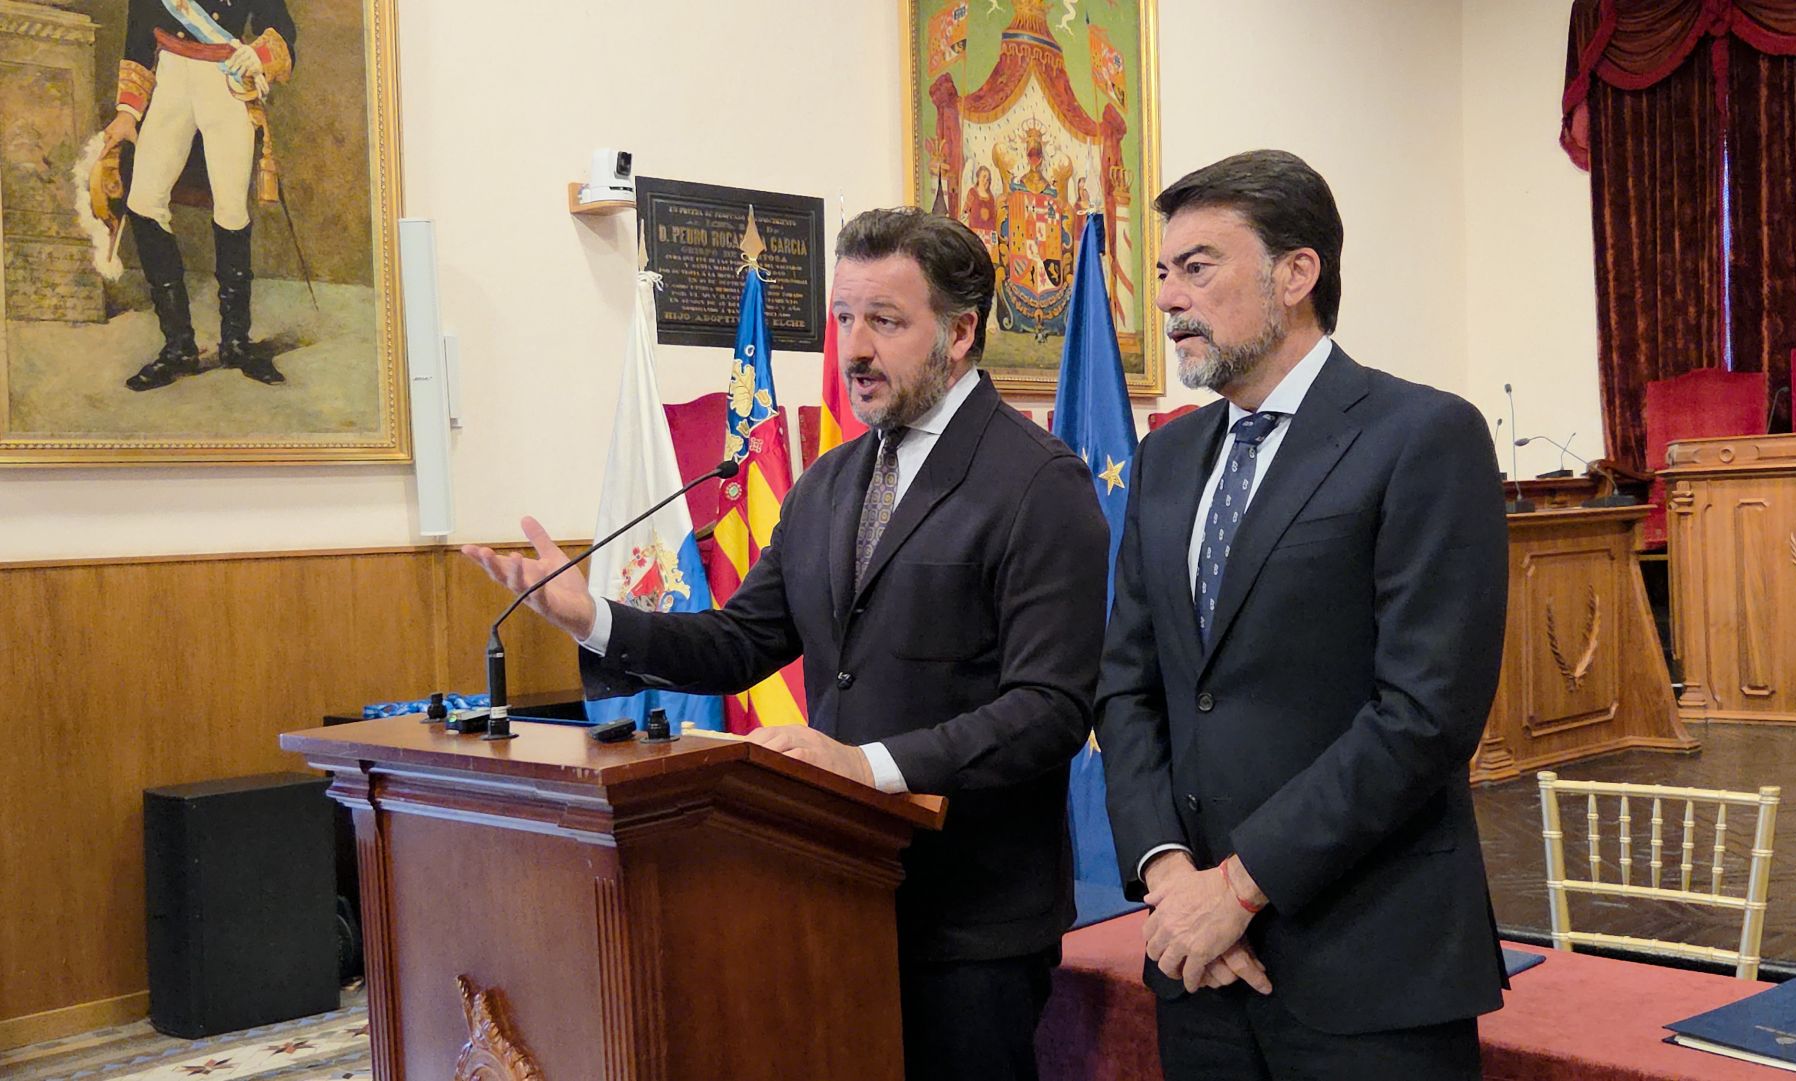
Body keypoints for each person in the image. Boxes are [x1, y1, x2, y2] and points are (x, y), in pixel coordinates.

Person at [462, 207, 1109, 1081]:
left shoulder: (1038, 483)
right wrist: (596, 619)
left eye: (885, 320)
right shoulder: (832, 480)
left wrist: (864, 765)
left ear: (960, 333)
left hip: (971, 922)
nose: (855, 348)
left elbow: (1048, 710)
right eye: (843, 317)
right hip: (830, 892)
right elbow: (741, 641)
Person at [1095, 149, 1510, 1079]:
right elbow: (1128, 685)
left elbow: (1425, 713)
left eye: (1198, 267)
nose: (1166, 298)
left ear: (1296, 273)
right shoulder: (1165, 460)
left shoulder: (1421, 435)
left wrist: (1238, 889)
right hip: (1197, 964)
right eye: (1162, 272)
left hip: (1368, 966)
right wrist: (1170, 881)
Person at [104, 0, 295, 391]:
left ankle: (236, 343)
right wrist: (128, 111)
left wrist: (256, 55)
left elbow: (279, 26)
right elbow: (139, 36)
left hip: (226, 83)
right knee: (143, 202)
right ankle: (179, 347)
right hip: (171, 80)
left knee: (231, 209)